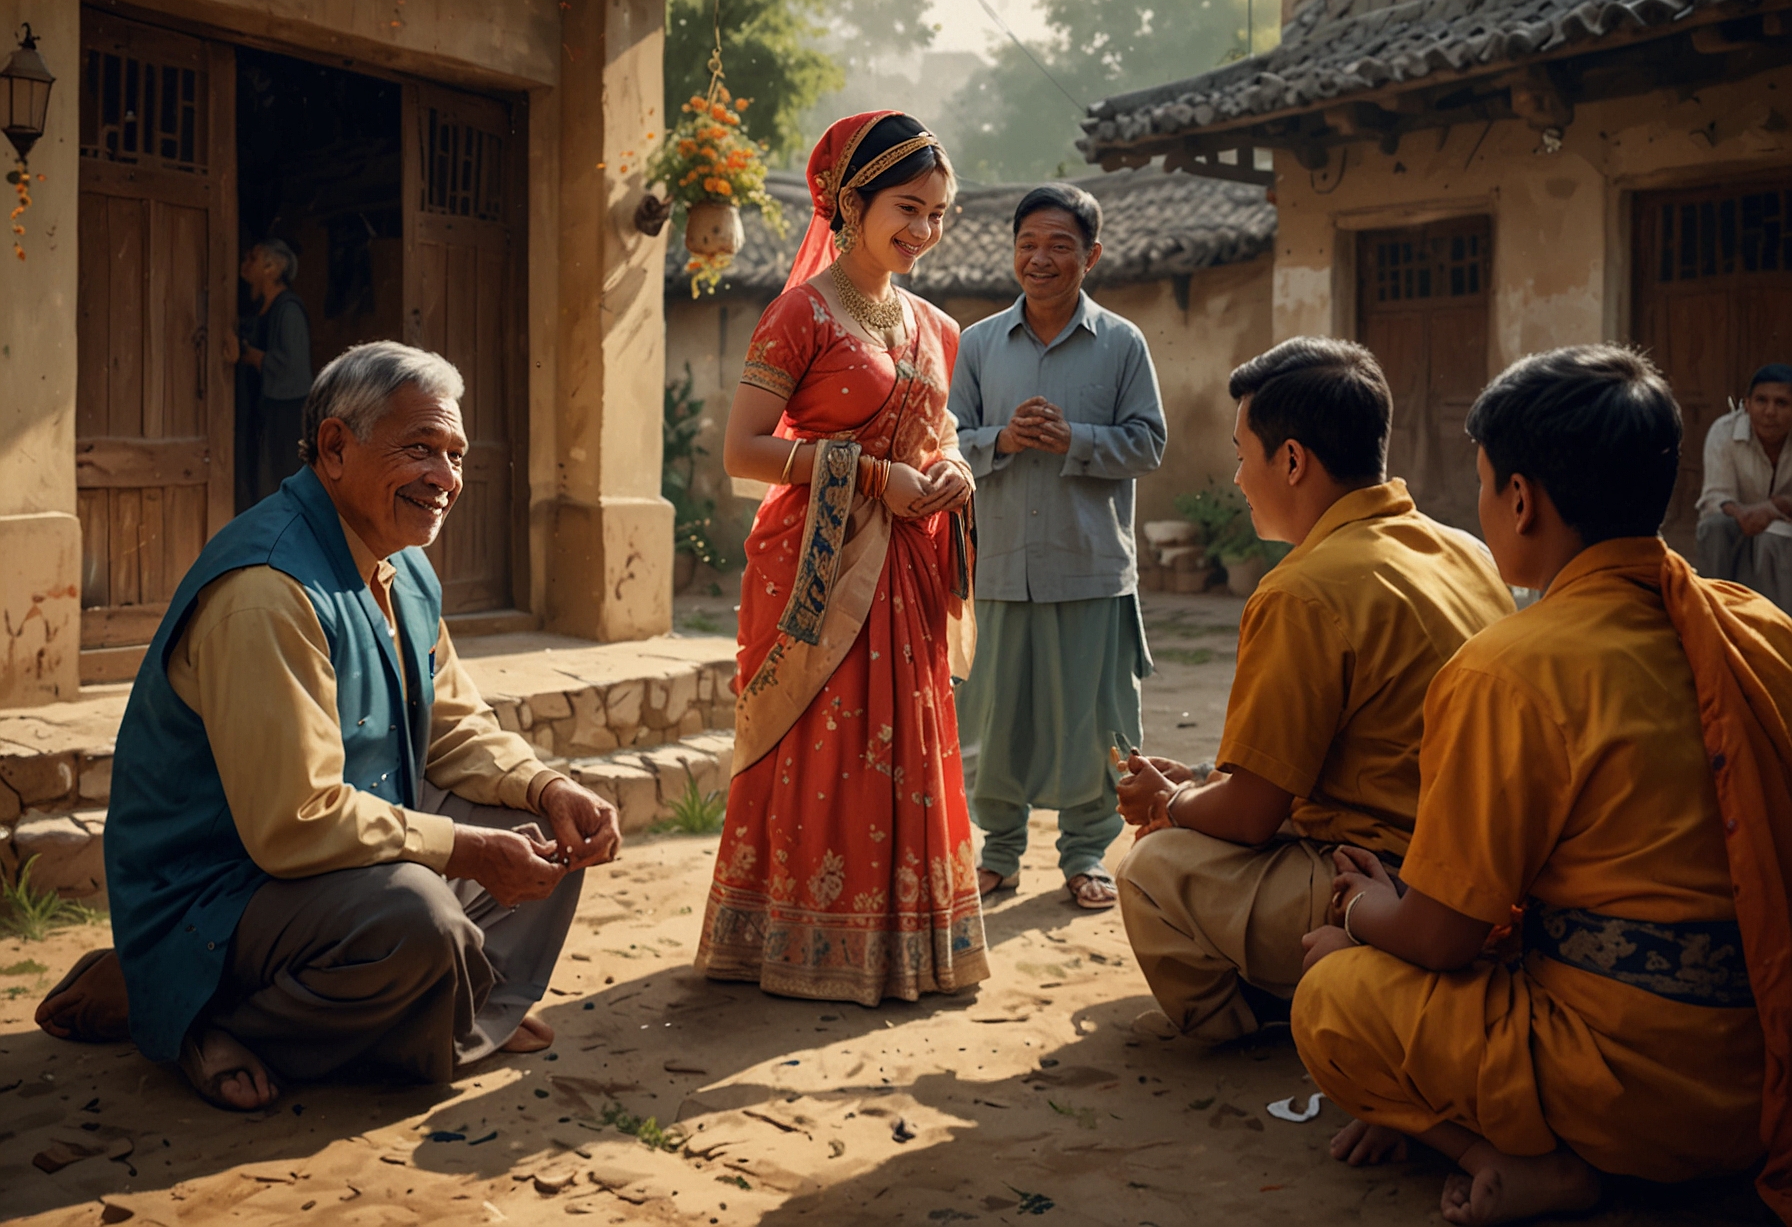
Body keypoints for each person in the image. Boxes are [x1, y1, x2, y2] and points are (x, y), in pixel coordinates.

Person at [35, 342, 621, 1111]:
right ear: (336, 447)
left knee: (548, 837)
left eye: (455, 454)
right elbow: (294, 821)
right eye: (419, 449)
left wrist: (546, 788)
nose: (444, 479)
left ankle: (452, 1009)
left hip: (330, 866)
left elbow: (453, 725)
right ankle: (193, 1015)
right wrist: (465, 848)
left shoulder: (402, 565)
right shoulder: (268, 590)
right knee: (420, 918)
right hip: (221, 888)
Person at [1293, 345, 1792, 1226]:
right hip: (1766, 1073)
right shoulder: (1758, 630)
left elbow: (1442, 938)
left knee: (1333, 991)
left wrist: (1360, 916)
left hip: (1631, 1092)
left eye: (1485, 483)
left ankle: (1509, 1156)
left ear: (1519, 500)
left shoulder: (1509, 669)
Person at [1113, 338, 1512, 1043]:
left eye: (1243, 456)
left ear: (1292, 460)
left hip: (1383, 883)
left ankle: (1255, 1018)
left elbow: (1250, 816)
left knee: (1151, 867)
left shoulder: (1301, 590)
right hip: (1485, 881)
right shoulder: (1463, 549)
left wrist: (1170, 803)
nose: (1237, 479)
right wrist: (1205, 779)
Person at [693, 112, 987, 1005]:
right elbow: (742, 452)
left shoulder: (939, 327)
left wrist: (950, 472)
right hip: (816, 571)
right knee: (823, 743)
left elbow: (939, 436)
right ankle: (795, 938)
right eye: (909, 208)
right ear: (849, 203)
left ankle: (903, 944)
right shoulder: (800, 315)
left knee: (905, 742)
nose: (925, 232)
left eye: (939, 214)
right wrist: (869, 476)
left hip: (905, 566)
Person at [949, 184, 1166, 911]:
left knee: (1094, 725)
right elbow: (943, 443)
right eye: (1028, 245)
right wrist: (1000, 441)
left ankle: (1084, 854)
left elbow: (1149, 443)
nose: (1039, 259)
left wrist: (1076, 440)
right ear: (1012, 251)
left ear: (1090, 256)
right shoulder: (977, 344)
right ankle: (1000, 853)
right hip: (1001, 565)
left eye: (1059, 246)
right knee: (996, 722)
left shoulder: (1124, 343)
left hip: (1090, 567)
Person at [1696, 362, 1792, 612]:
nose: (1770, 412)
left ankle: (1778, 626)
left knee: (1774, 535)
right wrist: (1742, 514)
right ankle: (1712, 612)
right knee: (1713, 527)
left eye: (1782, 403)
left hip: (1786, 531)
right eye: (1761, 401)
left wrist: (1774, 507)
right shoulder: (1724, 432)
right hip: (1739, 524)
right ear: (1747, 404)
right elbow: (1714, 496)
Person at [227, 238, 314, 508]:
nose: (244, 265)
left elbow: (292, 366)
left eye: (252, 258)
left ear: (272, 268)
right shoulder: (261, 308)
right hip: (263, 410)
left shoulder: (288, 310)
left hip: (284, 415)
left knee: (278, 478)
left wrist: (250, 355)